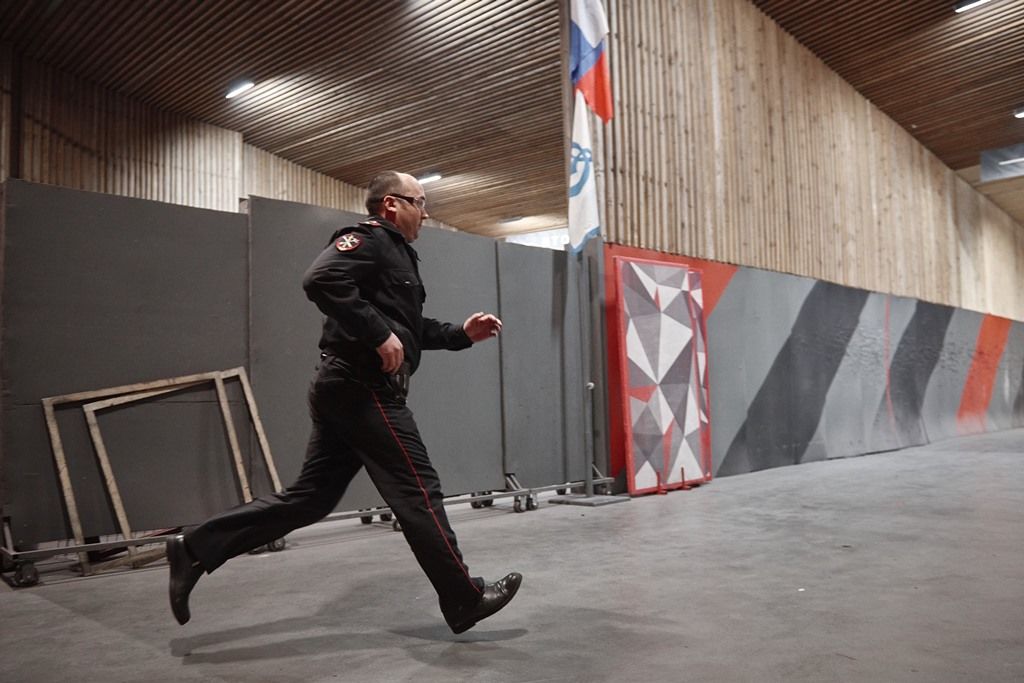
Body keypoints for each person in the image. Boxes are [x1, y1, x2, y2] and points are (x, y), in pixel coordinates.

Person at [167, 171, 521, 634]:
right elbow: (320, 278)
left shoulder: (397, 253)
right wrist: (377, 334)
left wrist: (461, 334)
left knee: (311, 499)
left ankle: (194, 548)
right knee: (418, 491)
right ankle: (463, 598)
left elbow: (408, 329)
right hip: (362, 387)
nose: (426, 212)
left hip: (346, 388)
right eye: (420, 202)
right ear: (391, 205)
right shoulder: (369, 240)